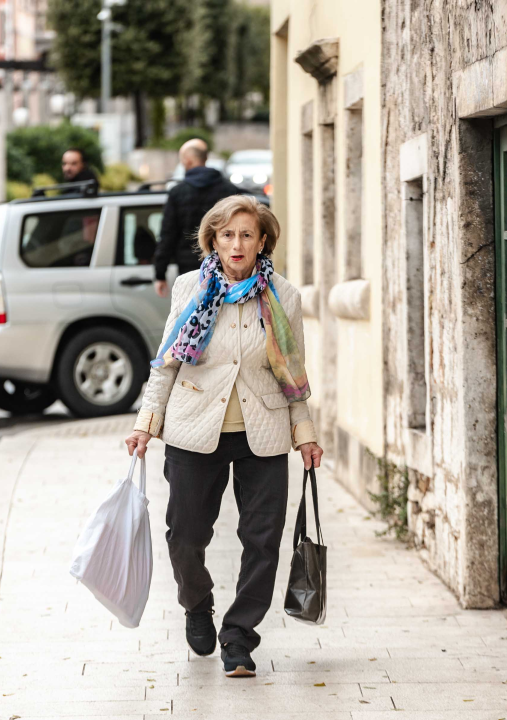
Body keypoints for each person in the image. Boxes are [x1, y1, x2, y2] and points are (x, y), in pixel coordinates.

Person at [125, 194, 324, 678]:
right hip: (194, 429)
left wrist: (305, 434)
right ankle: (197, 604)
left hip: (265, 431)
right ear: (213, 239)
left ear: (263, 240)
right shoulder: (191, 287)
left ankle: (239, 637)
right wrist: (145, 423)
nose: (237, 244)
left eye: (247, 234)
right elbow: (167, 360)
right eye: (227, 234)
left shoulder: (284, 295)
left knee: (263, 540)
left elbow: (290, 371)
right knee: (185, 535)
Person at [153, 138, 242, 297]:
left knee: (192, 318)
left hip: (189, 273)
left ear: (187, 161)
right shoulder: (230, 190)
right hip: (226, 269)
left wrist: (160, 273)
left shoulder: (177, 193)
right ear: (205, 159)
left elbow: (168, 236)